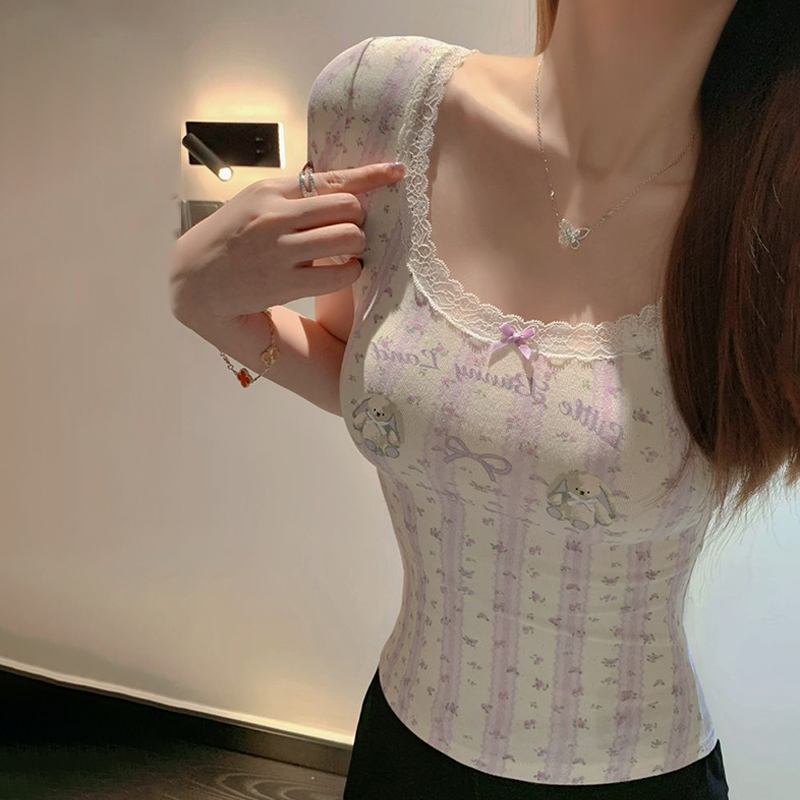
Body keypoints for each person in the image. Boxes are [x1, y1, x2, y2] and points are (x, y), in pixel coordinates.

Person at [169, 0, 800, 797]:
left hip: (640, 775)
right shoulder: (378, 104)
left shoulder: (773, 214)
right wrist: (201, 301)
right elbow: (369, 380)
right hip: (404, 752)